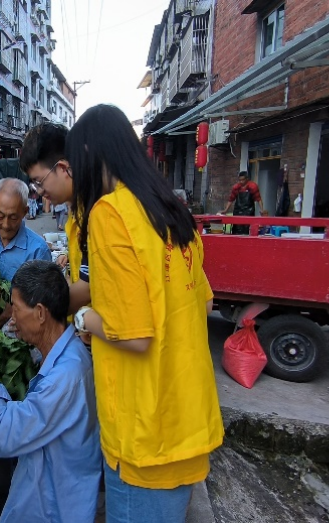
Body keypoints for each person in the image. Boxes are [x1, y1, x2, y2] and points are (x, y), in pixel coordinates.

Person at [65, 105, 223, 523]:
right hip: (185, 414)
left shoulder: (110, 213)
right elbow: (204, 302)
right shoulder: (169, 208)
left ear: (89, 153)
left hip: (144, 428)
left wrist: (84, 319)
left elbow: (133, 335)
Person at [0, 260, 102, 523]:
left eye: (16, 309)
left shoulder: (65, 377)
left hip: (52, 506)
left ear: (40, 313)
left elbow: (5, 436)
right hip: (37, 476)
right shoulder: (64, 352)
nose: (12, 318)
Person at [20, 123, 90, 308]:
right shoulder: (76, 210)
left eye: (39, 181)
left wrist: (39, 313)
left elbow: (89, 288)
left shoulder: (96, 211)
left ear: (62, 168)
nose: (39, 191)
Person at [221, 170, 268, 235]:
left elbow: (258, 199)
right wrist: (226, 210)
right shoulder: (236, 188)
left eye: (243, 180)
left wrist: (262, 210)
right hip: (238, 211)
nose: (241, 182)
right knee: (236, 229)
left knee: (247, 230)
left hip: (249, 211)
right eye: (240, 180)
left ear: (247, 179)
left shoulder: (253, 187)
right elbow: (231, 199)